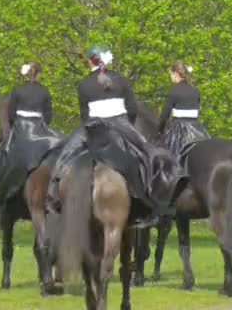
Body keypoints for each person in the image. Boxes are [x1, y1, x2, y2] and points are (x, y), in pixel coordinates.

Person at [47, 45, 188, 227]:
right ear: (106, 60)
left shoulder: (83, 84)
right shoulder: (121, 80)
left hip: (92, 127)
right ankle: (152, 204)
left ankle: (52, 199)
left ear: (90, 61)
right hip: (121, 124)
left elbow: (84, 114)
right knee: (148, 155)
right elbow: (132, 109)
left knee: (62, 155)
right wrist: (125, 126)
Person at [0, 62, 61, 211]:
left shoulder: (17, 90)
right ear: (38, 74)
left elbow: (11, 113)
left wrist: (15, 125)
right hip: (40, 127)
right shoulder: (44, 91)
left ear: (25, 74)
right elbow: (48, 116)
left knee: (1, 154)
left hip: (21, 128)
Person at [159, 61, 211, 156]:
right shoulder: (195, 91)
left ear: (175, 74)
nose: (170, 77)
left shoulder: (173, 90)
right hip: (197, 129)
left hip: (179, 131)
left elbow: (164, 116)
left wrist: (160, 130)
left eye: (171, 74)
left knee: (165, 157)